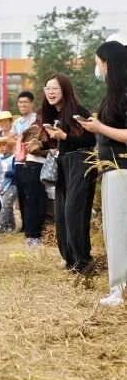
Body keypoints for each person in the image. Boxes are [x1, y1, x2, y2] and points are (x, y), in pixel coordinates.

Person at [78, 40, 127, 305]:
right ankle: (118, 286)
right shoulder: (114, 93)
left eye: (98, 63)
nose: (97, 69)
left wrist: (100, 128)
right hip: (111, 169)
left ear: (109, 63)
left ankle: (121, 290)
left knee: (120, 231)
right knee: (113, 230)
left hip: (123, 168)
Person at [36, 73, 97, 272]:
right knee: (61, 215)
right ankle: (70, 261)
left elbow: (90, 141)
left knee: (74, 213)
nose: (51, 92)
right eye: (48, 88)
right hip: (63, 163)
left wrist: (65, 136)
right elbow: (59, 142)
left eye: (55, 88)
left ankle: (83, 262)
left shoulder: (78, 111)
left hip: (80, 162)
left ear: (65, 90)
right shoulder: (52, 113)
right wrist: (42, 143)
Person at [12, 90, 44, 245]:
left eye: (25, 102)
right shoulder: (17, 122)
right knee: (22, 198)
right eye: (20, 102)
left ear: (31, 103)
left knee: (33, 198)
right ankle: (26, 227)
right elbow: (11, 139)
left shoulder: (35, 119)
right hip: (18, 162)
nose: (22, 105)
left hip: (32, 161)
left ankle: (34, 233)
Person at [0, 139, 18, 233]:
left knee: (5, 205)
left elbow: (17, 171)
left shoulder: (14, 157)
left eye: (4, 145)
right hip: (2, 186)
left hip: (12, 185)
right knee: (8, 206)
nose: (1, 148)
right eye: (0, 146)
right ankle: (11, 226)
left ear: (10, 147)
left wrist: (6, 173)